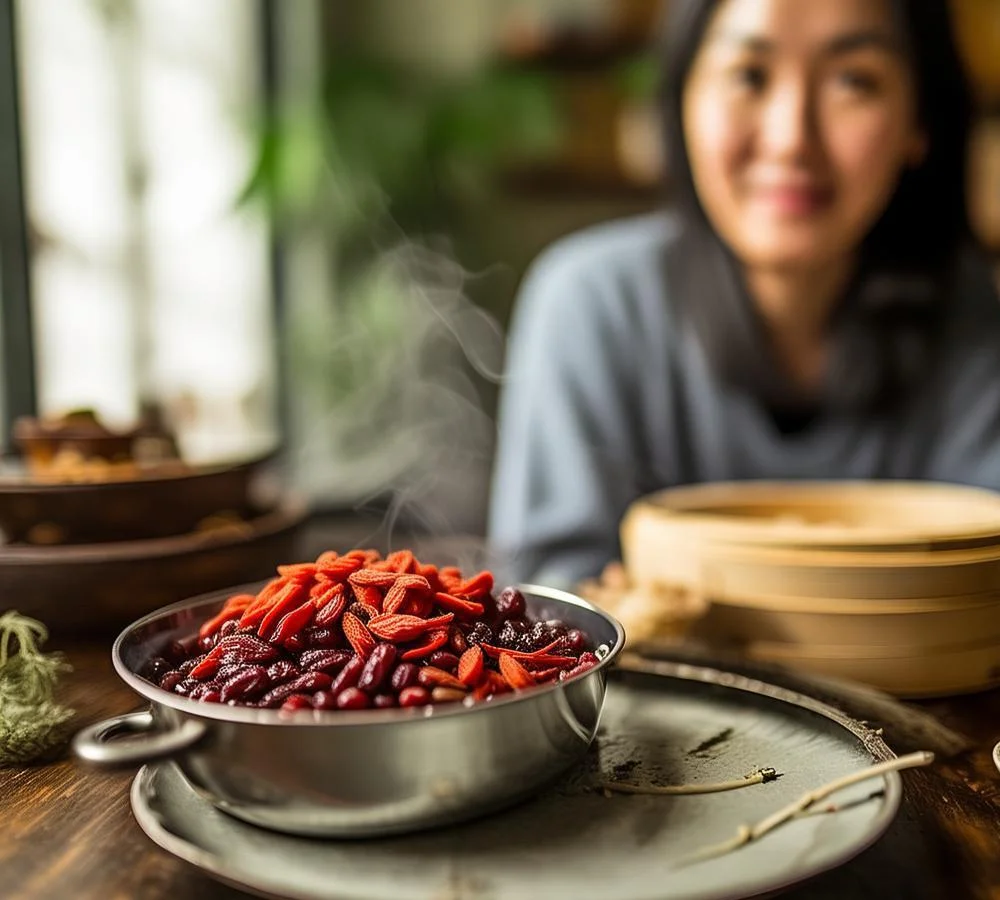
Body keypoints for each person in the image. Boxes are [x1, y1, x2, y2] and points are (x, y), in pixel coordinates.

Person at [488, 0, 1000, 588]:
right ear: (682, 101)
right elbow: (553, 605)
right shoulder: (590, 304)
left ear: (921, 123)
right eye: (749, 76)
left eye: (854, 81)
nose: (791, 140)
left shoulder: (971, 317)